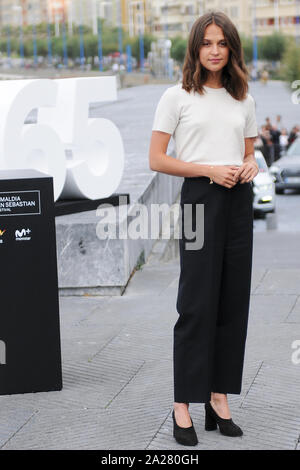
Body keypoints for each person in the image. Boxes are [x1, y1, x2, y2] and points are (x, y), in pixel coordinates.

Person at [149, 11, 259, 446]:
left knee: (233, 304)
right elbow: (157, 159)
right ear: (195, 48)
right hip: (198, 200)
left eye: (222, 43)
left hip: (238, 203)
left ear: (231, 48)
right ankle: (183, 404)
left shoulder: (244, 99)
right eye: (206, 43)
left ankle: (218, 396)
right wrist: (209, 171)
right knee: (195, 304)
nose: (214, 51)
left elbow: (249, 154)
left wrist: (247, 167)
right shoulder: (175, 96)